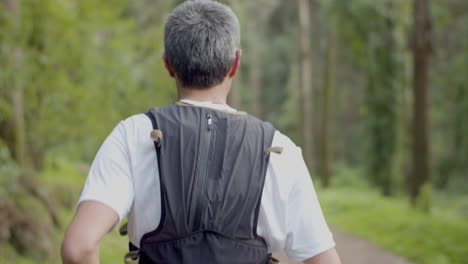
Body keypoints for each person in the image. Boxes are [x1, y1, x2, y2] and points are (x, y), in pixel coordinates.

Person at [61, 1, 341, 264]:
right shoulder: (280, 150)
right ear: (235, 63)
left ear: (168, 64)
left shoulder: (133, 134)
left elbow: (79, 247)